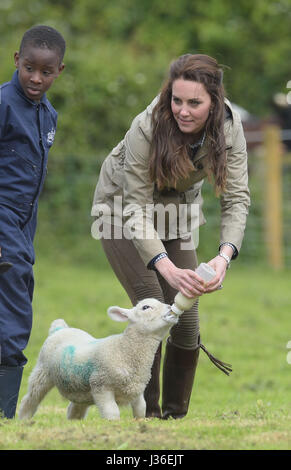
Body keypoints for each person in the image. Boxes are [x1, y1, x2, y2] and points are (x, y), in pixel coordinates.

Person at [91, 54, 250, 419]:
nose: (183, 110)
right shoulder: (146, 127)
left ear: (214, 102)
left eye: (195, 102)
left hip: (177, 212)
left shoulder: (229, 128)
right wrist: (165, 266)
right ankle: (147, 417)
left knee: (186, 321)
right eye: (177, 100)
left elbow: (238, 198)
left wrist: (224, 256)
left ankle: (173, 421)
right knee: (153, 307)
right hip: (120, 213)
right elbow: (135, 208)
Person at [0, 25, 65, 418]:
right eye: (29, 68)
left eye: (46, 71)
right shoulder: (3, 104)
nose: (36, 78)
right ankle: (6, 416)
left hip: (25, 224)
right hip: (2, 218)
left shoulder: (49, 114)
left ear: (60, 71)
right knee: (13, 312)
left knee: (18, 300)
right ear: (16, 62)